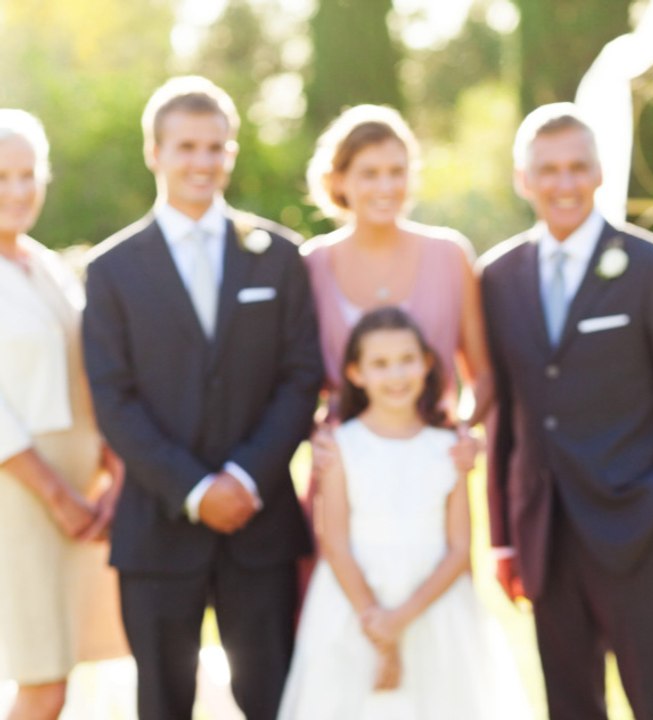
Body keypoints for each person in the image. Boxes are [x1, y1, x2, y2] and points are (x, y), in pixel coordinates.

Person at [81, 77, 323, 720]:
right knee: (162, 706)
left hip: (260, 524)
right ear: (154, 153)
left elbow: (302, 377)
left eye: (216, 147)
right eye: (186, 146)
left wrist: (245, 478)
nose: (202, 162)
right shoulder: (111, 271)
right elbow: (114, 400)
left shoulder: (278, 257)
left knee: (275, 702)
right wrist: (194, 489)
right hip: (158, 529)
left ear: (231, 153)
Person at [478, 103, 653, 720]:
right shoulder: (498, 276)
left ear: (599, 173)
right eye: (548, 169)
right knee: (568, 705)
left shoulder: (652, 268)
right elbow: (504, 418)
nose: (564, 183)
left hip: (633, 525)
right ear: (523, 179)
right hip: (545, 534)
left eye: (577, 167)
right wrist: (506, 539)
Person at [277, 307, 530, 719]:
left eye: (406, 361)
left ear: (427, 365)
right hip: (354, 605)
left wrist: (402, 619)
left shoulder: (448, 448)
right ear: (355, 374)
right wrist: (378, 625)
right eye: (379, 364)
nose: (396, 376)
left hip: (435, 605)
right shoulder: (340, 447)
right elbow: (335, 543)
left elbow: (460, 546)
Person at [0, 109, 127, 720]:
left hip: (78, 499)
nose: (18, 191)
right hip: (21, 502)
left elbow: (85, 374)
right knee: (41, 680)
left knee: (65, 675)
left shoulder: (45, 263)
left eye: (28, 175)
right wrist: (55, 494)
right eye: (0, 176)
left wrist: (110, 471)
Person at [302, 104, 492, 423]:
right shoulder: (312, 265)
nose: (386, 187)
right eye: (370, 174)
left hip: (435, 461)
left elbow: (482, 376)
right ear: (337, 181)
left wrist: (459, 431)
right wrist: (315, 435)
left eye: (396, 172)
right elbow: (291, 387)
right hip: (342, 462)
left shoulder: (450, 255)